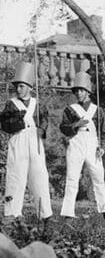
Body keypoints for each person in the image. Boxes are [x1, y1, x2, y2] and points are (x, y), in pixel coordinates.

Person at [0, 61, 52, 221]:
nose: (18, 89)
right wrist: (20, 122)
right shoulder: (11, 104)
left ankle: (44, 213)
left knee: (39, 175)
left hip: (34, 140)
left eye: (22, 86)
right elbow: (5, 124)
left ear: (29, 87)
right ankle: (12, 212)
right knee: (16, 175)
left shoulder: (37, 104)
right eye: (17, 86)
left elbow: (44, 119)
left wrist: (42, 129)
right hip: (18, 139)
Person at [60, 71, 105, 219]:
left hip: (92, 144)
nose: (79, 94)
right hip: (76, 144)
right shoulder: (70, 109)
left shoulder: (98, 110)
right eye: (77, 91)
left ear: (88, 91)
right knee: (72, 177)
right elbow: (63, 128)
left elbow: (104, 131)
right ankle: (68, 212)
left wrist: (103, 146)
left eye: (82, 90)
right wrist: (76, 124)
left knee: (98, 176)